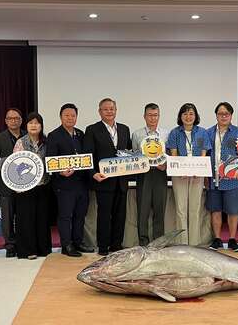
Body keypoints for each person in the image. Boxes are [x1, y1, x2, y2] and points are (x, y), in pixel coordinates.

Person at [83, 98, 132, 256]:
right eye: (106, 109)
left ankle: (116, 245)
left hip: (121, 181)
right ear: (100, 112)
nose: (109, 111)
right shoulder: (92, 129)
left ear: (116, 110)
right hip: (103, 180)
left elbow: (129, 153)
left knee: (120, 215)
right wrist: (93, 174)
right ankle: (103, 247)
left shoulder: (124, 129)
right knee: (104, 215)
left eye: (112, 109)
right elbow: (88, 155)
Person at [47, 103, 92, 257]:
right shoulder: (54, 135)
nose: (70, 118)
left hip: (81, 182)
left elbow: (86, 156)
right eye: (67, 115)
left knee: (80, 214)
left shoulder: (80, 134)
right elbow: (50, 160)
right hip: (64, 184)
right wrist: (60, 172)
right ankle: (66, 245)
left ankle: (78, 242)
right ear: (61, 117)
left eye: (73, 115)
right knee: (65, 216)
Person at [166, 103, 211, 245]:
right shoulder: (174, 132)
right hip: (179, 175)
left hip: (198, 175)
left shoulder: (202, 132)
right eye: (185, 113)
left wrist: (199, 171)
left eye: (191, 113)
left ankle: (194, 243)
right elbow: (173, 155)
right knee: (180, 209)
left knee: (195, 207)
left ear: (196, 116)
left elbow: (204, 155)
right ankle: (182, 243)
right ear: (180, 116)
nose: (188, 116)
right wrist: (181, 171)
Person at [206, 102, 238, 252]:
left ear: (231, 115)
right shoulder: (207, 133)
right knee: (215, 209)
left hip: (232, 180)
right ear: (216, 115)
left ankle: (232, 239)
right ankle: (217, 239)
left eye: (226, 114)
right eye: (220, 114)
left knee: (233, 210)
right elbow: (204, 153)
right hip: (212, 178)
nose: (223, 116)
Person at [13, 112, 52, 260]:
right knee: (26, 219)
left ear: (41, 126)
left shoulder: (47, 141)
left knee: (42, 218)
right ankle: (27, 250)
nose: (34, 126)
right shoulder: (20, 142)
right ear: (26, 125)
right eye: (30, 123)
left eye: (37, 123)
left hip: (43, 185)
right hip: (25, 187)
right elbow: (15, 164)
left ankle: (43, 249)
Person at [131, 103, 169, 246]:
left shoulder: (166, 133)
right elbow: (134, 155)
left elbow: (170, 155)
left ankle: (158, 243)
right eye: (150, 115)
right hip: (144, 175)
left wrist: (165, 165)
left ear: (159, 116)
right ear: (144, 116)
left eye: (155, 115)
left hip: (160, 174)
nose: (153, 118)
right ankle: (143, 243)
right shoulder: (137, 134)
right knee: (143, 210)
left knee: (160, 209)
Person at [0, 108, 25, 258]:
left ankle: (24, 242)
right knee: (8, 217)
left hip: (25, 184)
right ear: (5, 121)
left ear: (21, 120)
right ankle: (10, 245)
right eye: (10, 118)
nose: (13, 121)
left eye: (16, 118)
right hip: (5, 184)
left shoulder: (27, 135)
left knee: (24, 214)